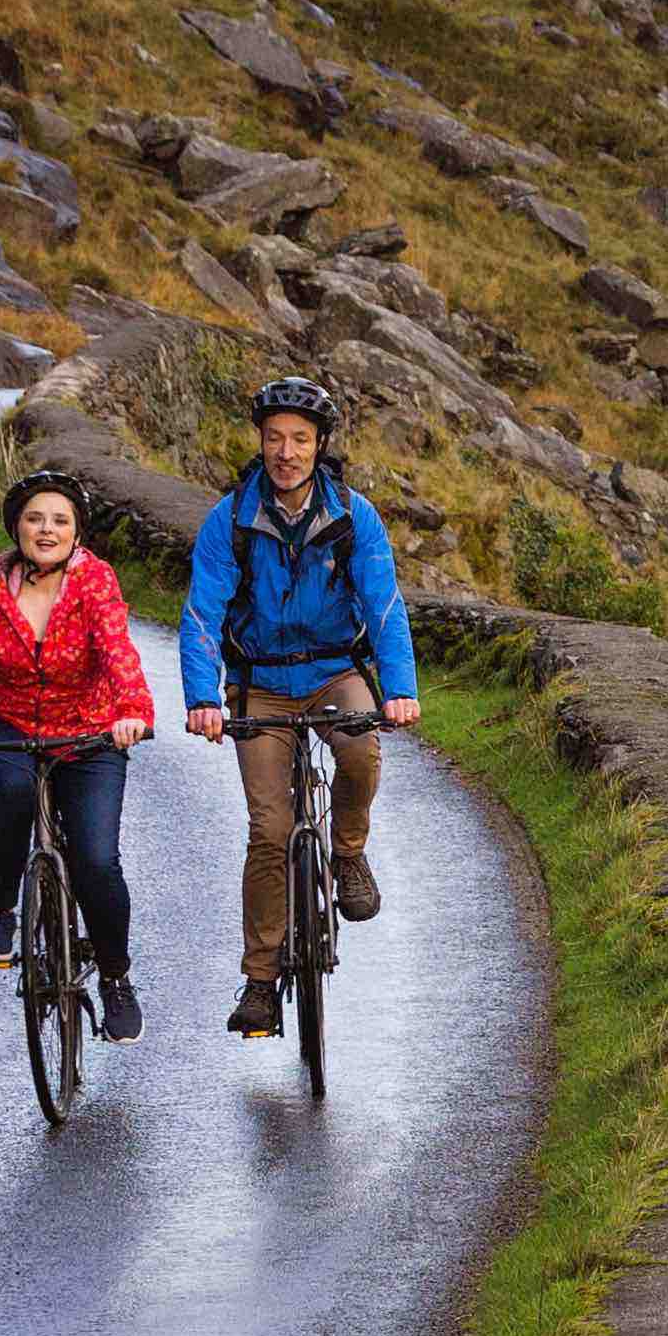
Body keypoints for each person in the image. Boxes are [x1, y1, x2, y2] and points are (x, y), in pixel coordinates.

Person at [178, 377, 421, 1038]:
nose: (286, 451)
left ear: (319, 446)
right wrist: (203, 698)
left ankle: (347, 852)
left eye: (300, 439)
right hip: (259, 681)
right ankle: (259, 980)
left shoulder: (353, 515)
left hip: (335, 669)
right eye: (275, 438)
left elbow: (385, 606)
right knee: (267, 830)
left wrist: (398, 689)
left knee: (359, 750)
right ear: (260, 442)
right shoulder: (230, 517)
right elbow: (202, 614)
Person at [0, 465, 159, 1039]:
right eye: (34, 519)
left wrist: (132, 713)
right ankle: (2, 910)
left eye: (59, 521)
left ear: (77, 532)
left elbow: (117, 647)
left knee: (97, 860)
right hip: (12, 724)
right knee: (15, 788)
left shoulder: (95, 581)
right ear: (16, 527)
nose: (46, 530)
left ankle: (116, 978)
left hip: (89, 731)